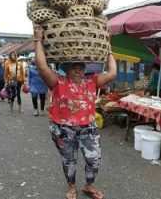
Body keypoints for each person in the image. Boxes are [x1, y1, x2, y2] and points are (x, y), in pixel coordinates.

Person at [33, 24, 117, 199]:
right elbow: (42, 67)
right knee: (69, 161)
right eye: (74, 68)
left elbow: (112, 74)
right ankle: (71, 186)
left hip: (88, 128)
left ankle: (88, 185)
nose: (78, 71)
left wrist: (108, 49)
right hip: (63, 129)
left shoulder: (91, 81)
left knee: (94, 159)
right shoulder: (58, 81)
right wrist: (38, 39)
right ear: (67, 70)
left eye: (81, 68)